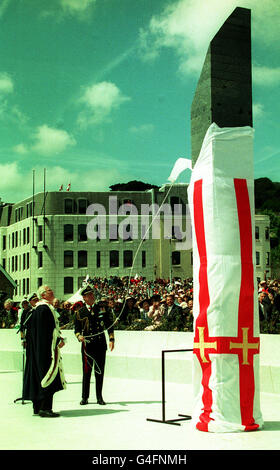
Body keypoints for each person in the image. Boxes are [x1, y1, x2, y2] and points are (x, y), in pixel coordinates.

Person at [22, 285, 66, 417]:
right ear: (43, 295)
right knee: (47, 375)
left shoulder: (38, 309)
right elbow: (46, 332)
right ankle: (45, 408)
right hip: (46, 350)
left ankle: (37, 407)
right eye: (49, 290)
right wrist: (58, 341)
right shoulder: (43, 309)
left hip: (39, 350)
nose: (52, 291)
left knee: (38, 375)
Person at [74, 284, 115, 406]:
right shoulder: (80, 312)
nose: (92, 297)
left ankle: (99, 397)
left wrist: (112, 339)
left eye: (92, 294)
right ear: (84, 298)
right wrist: (78, 336)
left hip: (100, 345)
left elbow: (109, 325)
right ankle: (84, 397)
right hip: (87, 346)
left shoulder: (102, 308)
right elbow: (76, 330)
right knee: (86, 372)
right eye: (89, 295)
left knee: (99, 372)